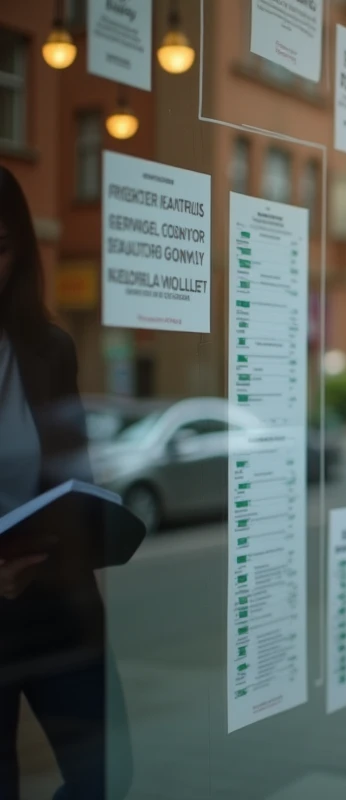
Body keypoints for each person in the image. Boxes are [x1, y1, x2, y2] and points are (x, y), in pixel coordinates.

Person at [0, 166, 132, 798]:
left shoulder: (49, 347)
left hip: (57, 606)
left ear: (20, 253)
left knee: (106, 773)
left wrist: (97, 524)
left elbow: (72, 473)